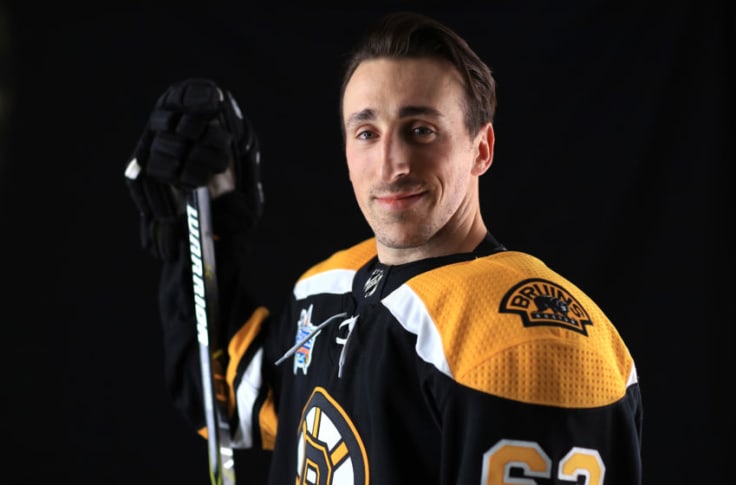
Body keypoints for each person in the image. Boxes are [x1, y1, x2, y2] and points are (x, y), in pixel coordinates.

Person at [124, 11, 643, 484]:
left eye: (420, 130)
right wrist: (202, 236)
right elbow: (227, 402)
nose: (391, 164)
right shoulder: (329, 287)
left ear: (481, 149)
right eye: (367, 133)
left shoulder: (525, 337)